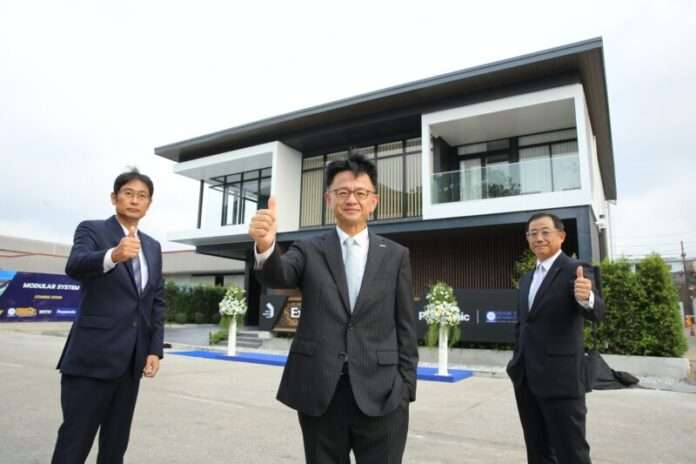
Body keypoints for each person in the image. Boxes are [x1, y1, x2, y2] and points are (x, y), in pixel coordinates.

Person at [249, 154, 418, 464]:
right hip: (321, 392)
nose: (351, 199)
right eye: (342, 192)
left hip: (383, 393)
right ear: (329, 199)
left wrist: (405, 388)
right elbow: (279, 275)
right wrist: (266, 246)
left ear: (373, 202)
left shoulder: (396, 255)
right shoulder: (308, 249)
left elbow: (405, 325)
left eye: (360, 192)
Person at [52, 169, 166, 464]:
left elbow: (156, 301)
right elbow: (75, 265)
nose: (135, 200)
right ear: (114, 198)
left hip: (130, 364)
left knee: (115, 446)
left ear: (149, 204)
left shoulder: (152, 247)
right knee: (75, 442)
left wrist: (154, 349)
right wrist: (113, 255)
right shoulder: (92, 230)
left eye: (142, 196)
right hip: (92, 358)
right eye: (128, 193)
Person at [507, 212, 605, 464]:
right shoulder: (527, 278)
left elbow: (597, 312)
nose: (538, 238)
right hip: (526, 379)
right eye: (532, 233)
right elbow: (524, 324)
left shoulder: (576, 270)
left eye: (544, 232)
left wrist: (586, 297)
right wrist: (516, 362)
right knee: (538, 452)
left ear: (561, 236)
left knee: (571, 453)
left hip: (562, 381)